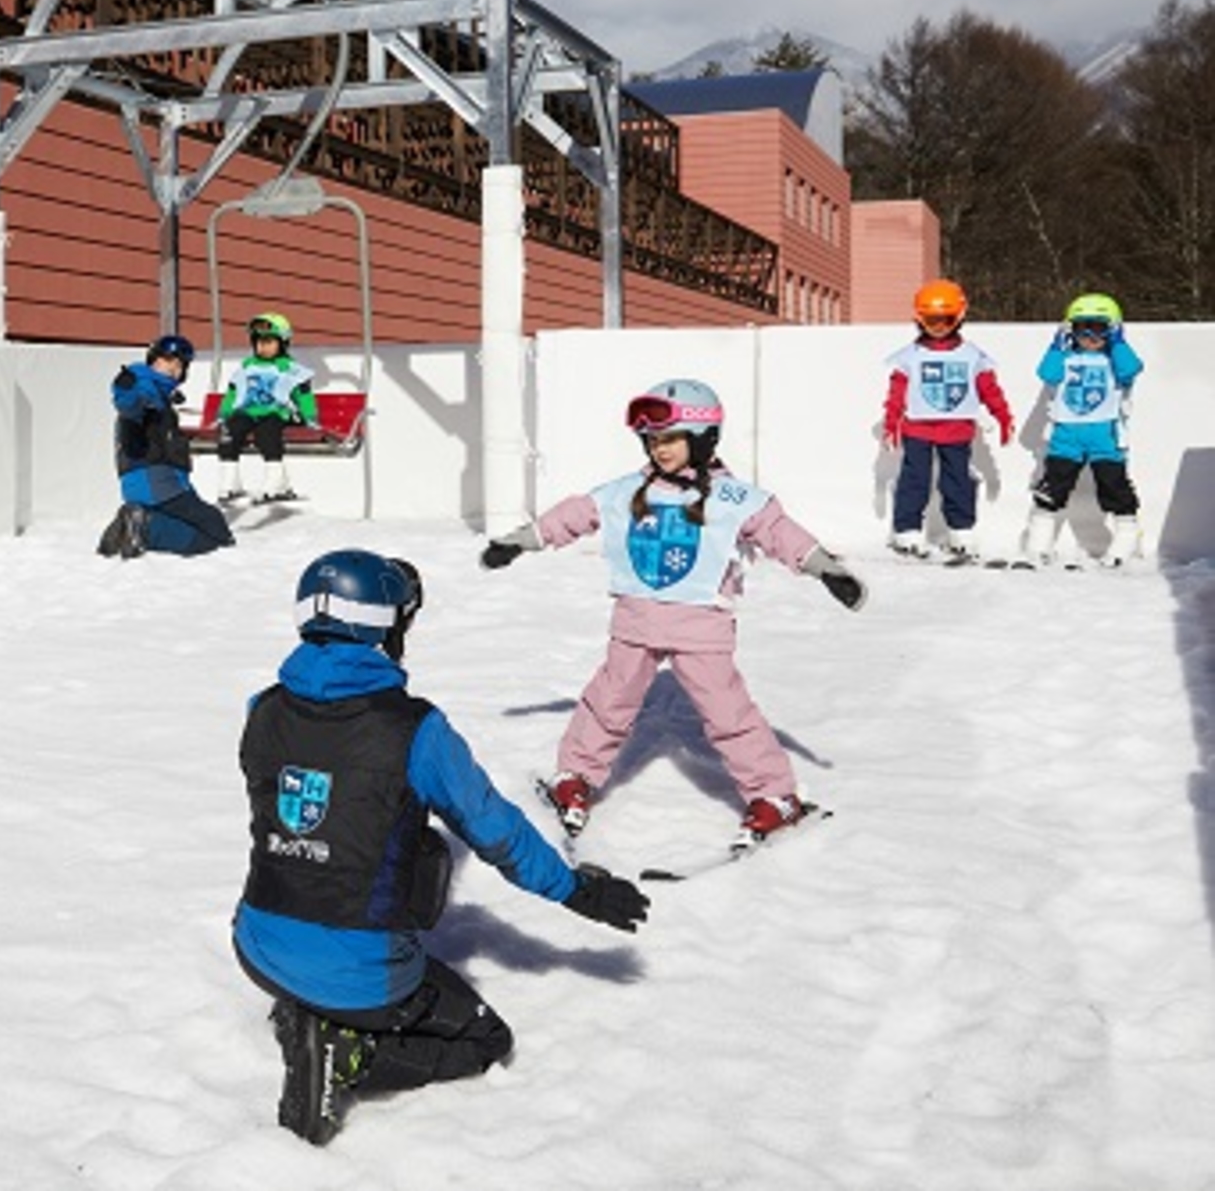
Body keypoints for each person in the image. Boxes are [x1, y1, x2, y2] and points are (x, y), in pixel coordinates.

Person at [234, 550, 650, 1146]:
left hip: (257, 948)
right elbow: (495, 830)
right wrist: (574, 888)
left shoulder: (262, 709)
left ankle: (301, 1007)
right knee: (486, 1040)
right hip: (364, 976)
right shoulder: (416, 731)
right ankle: (350, 1053)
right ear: (384, 625)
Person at [483, 378, 867, 844]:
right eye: (651, 440)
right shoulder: (627, 490)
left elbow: (780, 533)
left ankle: (773, 794)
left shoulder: (735, 498)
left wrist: (827, 570)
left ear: (703, 438)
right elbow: (575, 514)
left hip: (700, 626)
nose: (659, 449)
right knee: (609, 701)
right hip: (636, 620)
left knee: (728, 714)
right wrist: (520, 541)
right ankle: (576, 775)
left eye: (670, 438)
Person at [880, 278, 1013, 561]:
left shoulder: (973, 356)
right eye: (932, 321)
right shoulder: (909, 357)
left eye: (946, 320)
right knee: (914, 480)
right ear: (920, 319)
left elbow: (989, 389)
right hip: (918, 429)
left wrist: (1003, 417)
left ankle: (961, 531)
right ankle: (907, 531)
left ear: (959, 317)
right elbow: (897, 393)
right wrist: (891, 422)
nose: (939, 327)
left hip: (957, 430)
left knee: (958, 481)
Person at [1020, 292, 1145, 567]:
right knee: (1051, 489)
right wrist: (1057, 346)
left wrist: (1119, 343)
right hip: (1066, 438)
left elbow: (1131, 369)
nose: (1090, 336)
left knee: (1114, 487)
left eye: (1099, 328)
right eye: (1081, 328)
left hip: (1105, 438)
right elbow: (1047, 374)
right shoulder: (1066, 358)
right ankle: (1038, 545)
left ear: (1113, 330)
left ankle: (1127, 540)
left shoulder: (1115, 360)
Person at [96, 333, 234, 559]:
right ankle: (146, 527)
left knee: (200, 525)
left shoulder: (161, 399)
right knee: (216, 530)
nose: (173, 368)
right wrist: (127, 390)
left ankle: (130, 524)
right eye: (168, 360)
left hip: (154, 484)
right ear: (153, 361)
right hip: (157, 483)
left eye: (180, 365)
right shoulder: (144, 388)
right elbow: (129, 404)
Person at [215, 311, 319, 504]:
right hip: (248, 411)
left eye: (269, 342)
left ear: (283, 343)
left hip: (276, 412)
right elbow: (233, 391)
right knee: (230, 432)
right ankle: (231, 482)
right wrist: (225, 412)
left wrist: (310, 415)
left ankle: (274, 482)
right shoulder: (247, 367)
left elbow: (303, 394)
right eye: (259, 341)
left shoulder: (289, 368)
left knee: (267, 435)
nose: (263, 346)